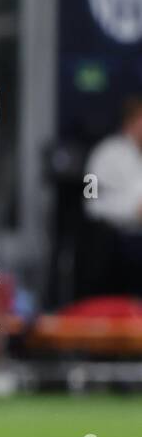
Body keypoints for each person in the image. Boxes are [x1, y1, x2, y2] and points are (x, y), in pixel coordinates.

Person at [83, 97, 142, 295]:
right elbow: (90, 202)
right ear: (131, 122)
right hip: (113, 243)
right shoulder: (104, 153)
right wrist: (132, 211)